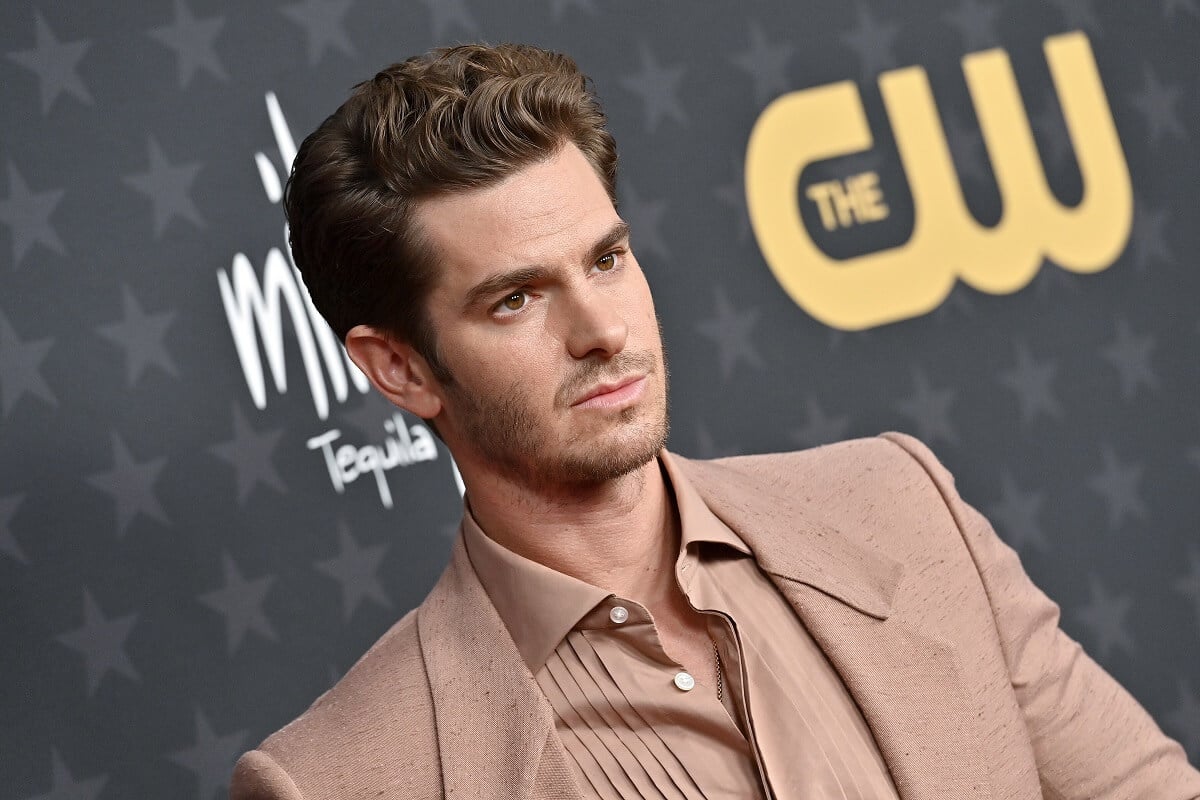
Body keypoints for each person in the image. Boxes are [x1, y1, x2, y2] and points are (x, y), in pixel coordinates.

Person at [230, 44, 1200, 800]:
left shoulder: (901, 508)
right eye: (517, 299)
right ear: (398, 366)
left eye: (607, 259)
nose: (603, 330)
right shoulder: (338, 780)